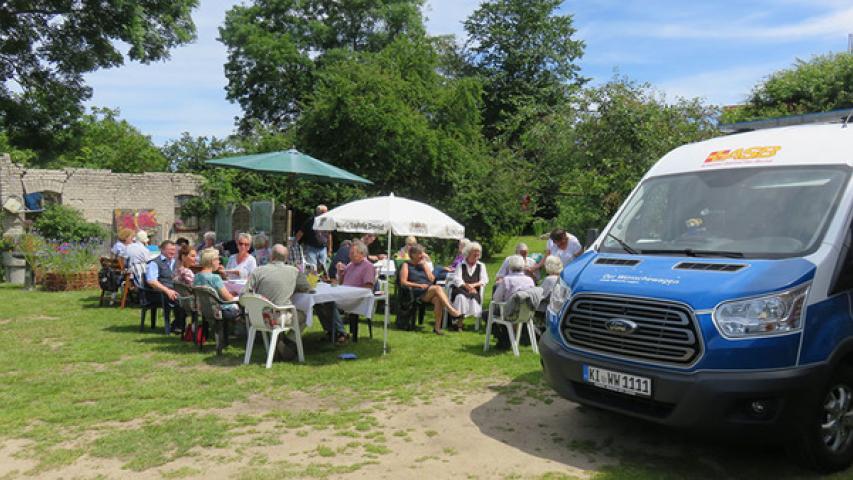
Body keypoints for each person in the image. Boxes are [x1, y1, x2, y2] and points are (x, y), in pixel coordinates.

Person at [244, 244, 311, 360]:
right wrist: (292, 287)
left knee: (283, 312)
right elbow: (307, 287)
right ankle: (288, 341)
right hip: (279, 318)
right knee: (305, 316)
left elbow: (245, 293)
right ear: (286, 258)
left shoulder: (258, 271)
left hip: (257, 317)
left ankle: (281, 343)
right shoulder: (294, 271)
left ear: (271, 256)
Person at [317, 240, 377, 343]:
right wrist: (340, 273)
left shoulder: (368, 267)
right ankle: (331, 331)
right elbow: (341, 283)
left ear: (362, 254)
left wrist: (351, 291)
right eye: (350, 253)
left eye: (352, 253)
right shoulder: (350, 265)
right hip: (345, 295)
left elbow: (368, 287)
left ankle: (341, 333)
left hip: (357, 298)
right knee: (318, 302)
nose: (349, 256)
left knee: (328, 302)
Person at [399, 244, 461, 335]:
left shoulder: (423, 264)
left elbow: (432, 279)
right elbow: (403, 282)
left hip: (427, 289)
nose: (422, 255)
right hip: (415, 292)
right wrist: (418, 285)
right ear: (412, 254)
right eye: (419, 253)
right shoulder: (406, 265)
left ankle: (437, 328)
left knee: (437, 299)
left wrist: (425, 266)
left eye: (422, 253)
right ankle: (452, 311)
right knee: (437, 288)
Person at [145, 239, 184, 332]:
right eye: (170, 250)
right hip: (158, 294)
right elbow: (152, 281)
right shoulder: (154, 263)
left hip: (174, 290)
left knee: (189, 299)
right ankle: (178, 326)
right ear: (162, 250)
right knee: (180, 300)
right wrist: (167, 290)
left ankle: (179, 325)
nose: (173, 252)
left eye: (174, 250)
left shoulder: (176, 262)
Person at [449, 241, 488, 330]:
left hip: (474, 290)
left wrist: (473, 285)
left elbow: (484, 280)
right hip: (461, 289)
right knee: (460, 297)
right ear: (468, 254)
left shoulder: (481, 266)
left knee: (473, 297)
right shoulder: (460, 265)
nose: (476, 257)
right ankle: (459, 322)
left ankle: (461, 323)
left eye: (478, 255)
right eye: (474, 255)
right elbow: (457, 280)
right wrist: (467, 286)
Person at [194, 248, 241, 319]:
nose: (219, 262)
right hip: (221, 311)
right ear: (212, 261)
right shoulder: (215, 278)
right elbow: (229, 298)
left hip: (205, 311)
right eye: (218, 259)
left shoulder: (196, 276)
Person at [295, 204, 330, 270]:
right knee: (312, 269)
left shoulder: (326, 221)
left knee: (323, 269)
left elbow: (329, 235)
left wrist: (330, 249)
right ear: (318, 212)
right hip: (311, 248)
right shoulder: (310, 221)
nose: (327, 213)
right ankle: (313, 277)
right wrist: (294, 244)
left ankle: (320, 277)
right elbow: (300, 233)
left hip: (323, 248)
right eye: (324, 212)